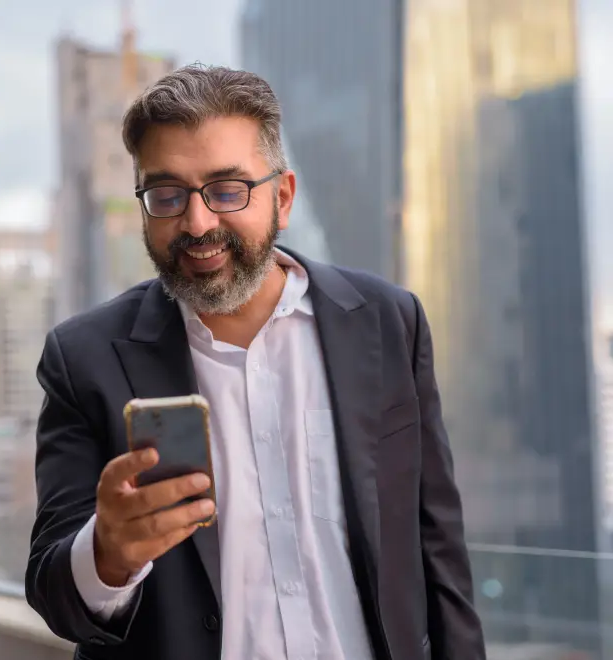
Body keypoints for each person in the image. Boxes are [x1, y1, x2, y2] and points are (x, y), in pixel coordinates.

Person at [24, 64, 485, 660]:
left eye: (226, 189)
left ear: (283, 197)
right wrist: (108, 554)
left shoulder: (386, 321)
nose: (197, 222)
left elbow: (439, 551)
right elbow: (54, 592)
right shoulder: (82, 359)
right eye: (167, 195)